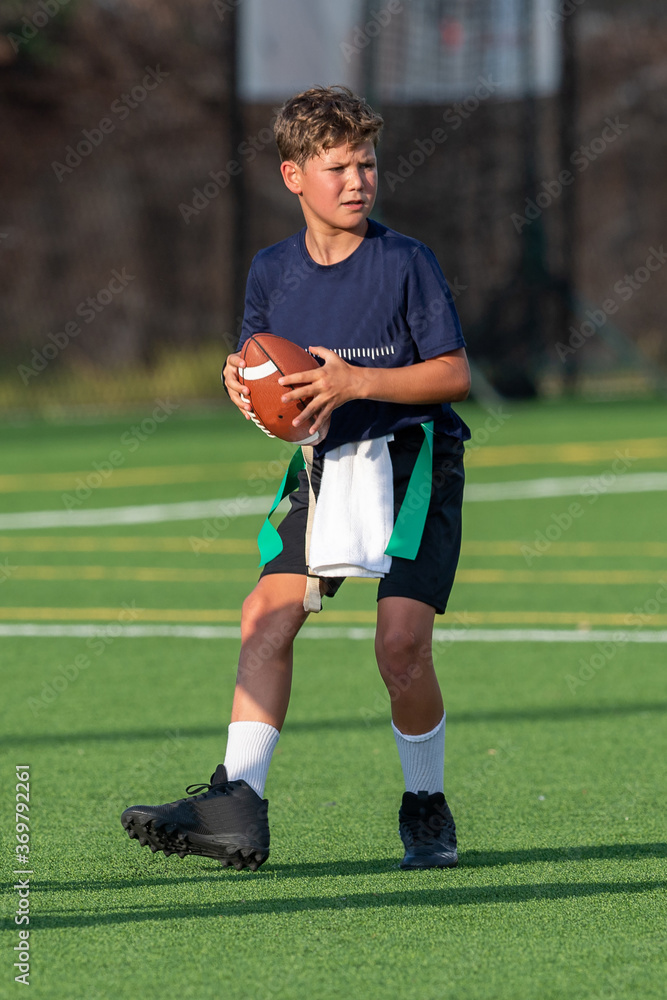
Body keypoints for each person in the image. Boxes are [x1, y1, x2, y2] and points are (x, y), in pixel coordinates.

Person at [121, 85, 471, 872]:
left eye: (368, 164)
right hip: (320, 464)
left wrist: (357, 383)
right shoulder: (271, 269)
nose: (358, 181)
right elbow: (256, 368)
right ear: (293, 176)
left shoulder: (406, 261)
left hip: (411, 457)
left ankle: (424, 803)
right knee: (264, 617)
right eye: (339, 166)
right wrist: (240, 384)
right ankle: (236, 804)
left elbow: (452, 372)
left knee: (400, 648)